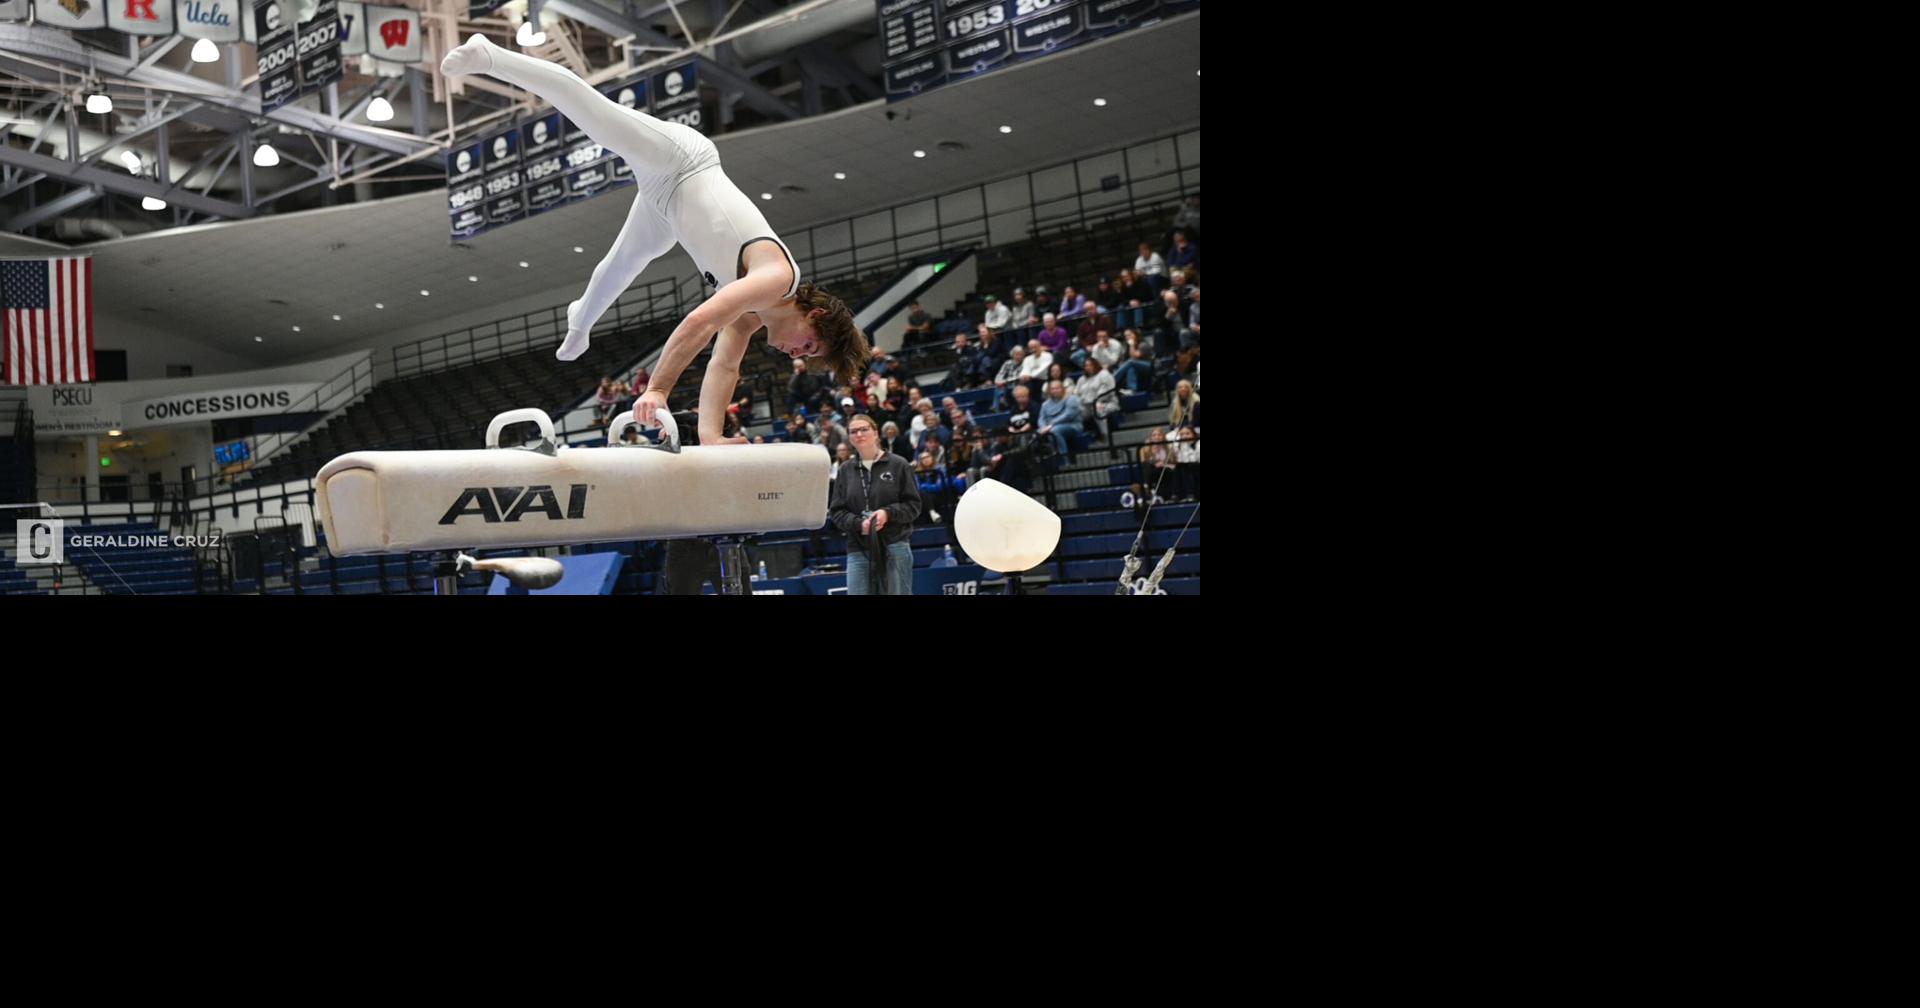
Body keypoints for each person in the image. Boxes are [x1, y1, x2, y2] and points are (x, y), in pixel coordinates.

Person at [441, 33, 865, 446]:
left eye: (806, 356)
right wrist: (658, 389)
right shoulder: (776, 279)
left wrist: (711, 436)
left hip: (667, 210)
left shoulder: (752, 315)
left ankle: (581, 319)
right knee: (597, 116)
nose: (797, 354)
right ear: (816, 314)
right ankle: (491, 55)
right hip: (682, 163)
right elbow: (699, 322)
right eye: (809, 344)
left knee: (623, 263)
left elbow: (724, 367)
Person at [827, 414, 922, 595]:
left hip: (895, 544)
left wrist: (888, 513)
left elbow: (913, 506)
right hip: (859, 548)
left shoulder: (898, 464)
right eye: (854, 431)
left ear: (876, 433)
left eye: (864, 429)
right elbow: (837, 512)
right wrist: (858, 524)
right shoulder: (845, 470)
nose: (859, 434)